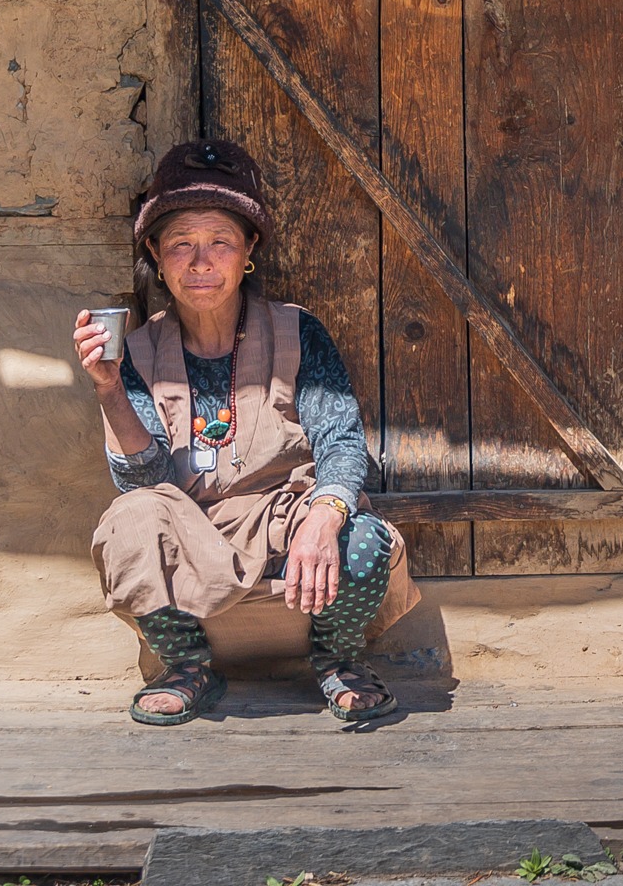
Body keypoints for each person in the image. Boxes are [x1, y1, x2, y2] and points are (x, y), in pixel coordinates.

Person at [72, 139, 414, 726]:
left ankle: (337, 662)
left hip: (286, 518)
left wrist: (323, 518)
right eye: (181, 244)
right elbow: (149, 486)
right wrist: (108, 389)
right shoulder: (136, 351)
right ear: (155, 253)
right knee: (128, 522)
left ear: (248, 249)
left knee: (362, 539)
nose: (200, 262)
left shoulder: (297, 332)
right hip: (193, 528)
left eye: (219, 242)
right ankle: (186, 666)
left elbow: (340, 440)